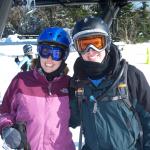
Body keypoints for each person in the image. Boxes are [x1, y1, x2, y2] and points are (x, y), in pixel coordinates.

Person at [69, 16, 150, 150]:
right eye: (84, 45)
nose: (91, 51)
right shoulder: (78, 84)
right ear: (78, 49)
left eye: (97, 42)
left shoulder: (130, 76)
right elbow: (66, 118)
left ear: (106, 43)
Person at [0, 27, 75, 150]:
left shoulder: (70, 85)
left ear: (64, 56)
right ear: (39, 52)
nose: (49, 59)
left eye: (56, 53)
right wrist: (6, 128)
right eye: (45, 51)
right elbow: (3, 111)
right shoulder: (21, 81)